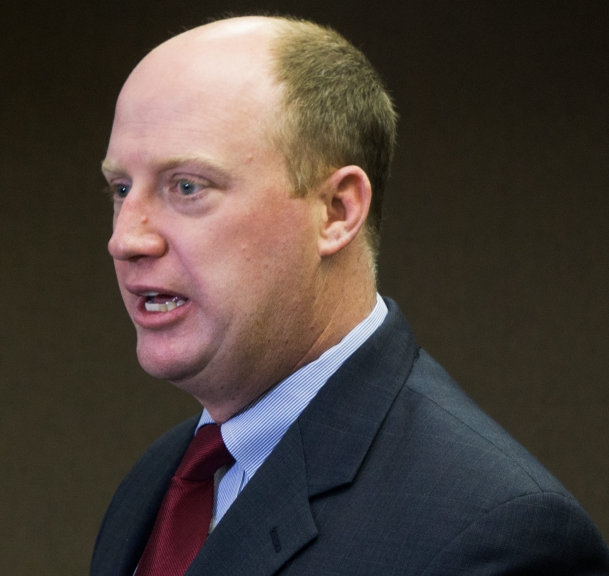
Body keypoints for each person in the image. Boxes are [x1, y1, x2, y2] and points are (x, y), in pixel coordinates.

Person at [90, 15, 609, 576]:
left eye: (188, 186)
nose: (126, 239)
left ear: (336, 212)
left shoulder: (499, 534)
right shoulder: (157, 484)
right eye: (121, 188)